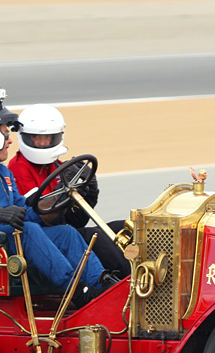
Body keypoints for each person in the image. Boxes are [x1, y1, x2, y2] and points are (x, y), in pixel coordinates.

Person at [0, 95, 108, 299]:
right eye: (4, 133)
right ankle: (74, 290)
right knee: (27, 230)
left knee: (66, 233)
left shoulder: (2, 172)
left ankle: (101, 285)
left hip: (6, 236)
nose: (10, 140)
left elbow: (23, 210)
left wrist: (59, 199)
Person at [8, 104, 130, 278]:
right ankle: (126, 280)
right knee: (96, 237)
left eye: (48, 138)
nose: (43, 143)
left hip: (66, 230)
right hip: (43, 237)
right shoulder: (18, 168)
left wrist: (89, 191)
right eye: (36, 137)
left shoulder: (55, 166)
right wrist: (62, 193)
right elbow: (43, 217)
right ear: (25, 137)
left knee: (123, 227)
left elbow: (76, 221)